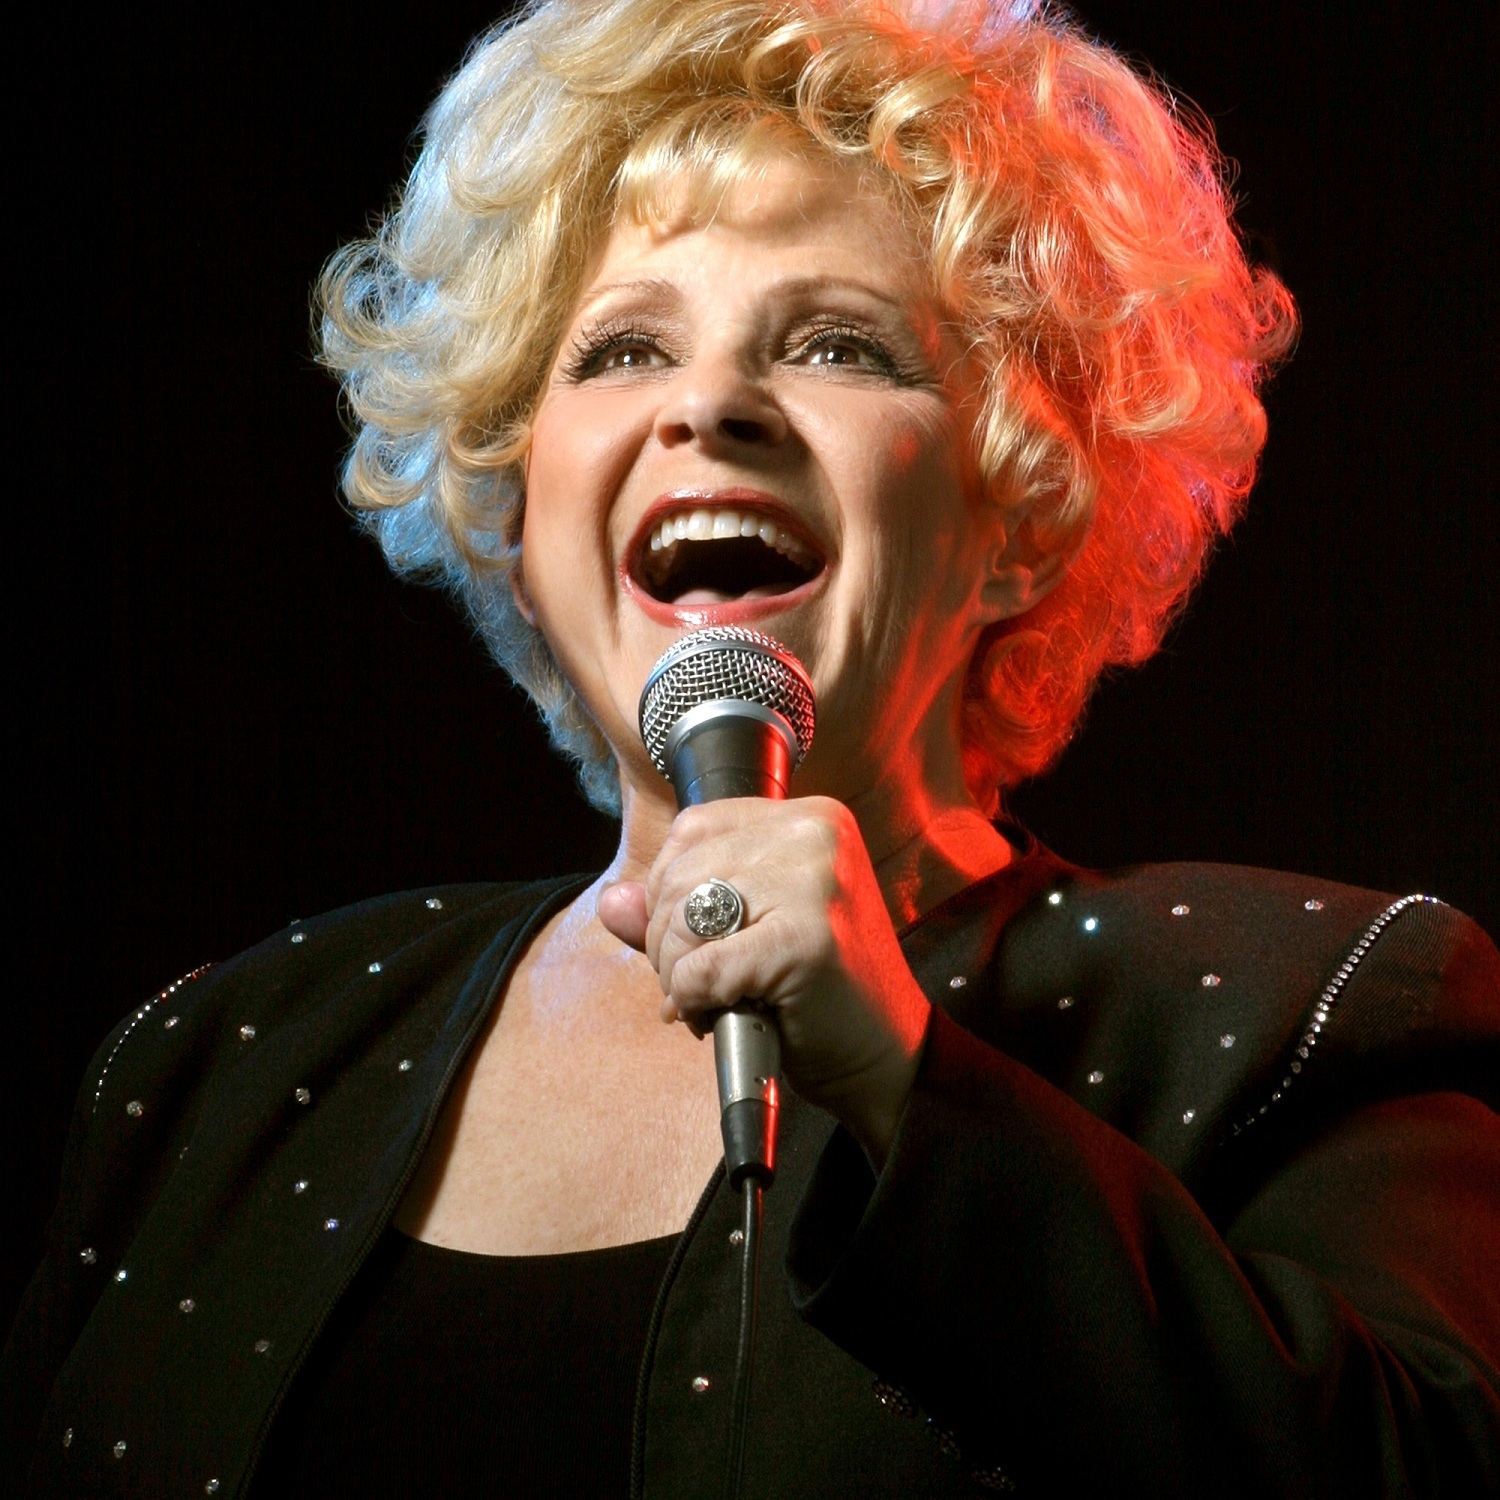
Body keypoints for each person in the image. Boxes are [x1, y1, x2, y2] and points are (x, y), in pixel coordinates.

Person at [5, 0, 1497, 1495]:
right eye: (623, 349)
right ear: (519, 508)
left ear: (1025, 517)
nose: (709, 406)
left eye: (840, 345)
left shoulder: (1304, 1014)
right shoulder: (222, 1062)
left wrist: (910, 1088)